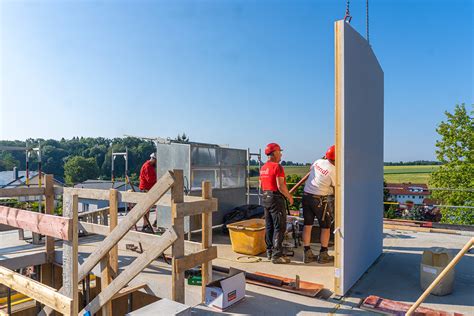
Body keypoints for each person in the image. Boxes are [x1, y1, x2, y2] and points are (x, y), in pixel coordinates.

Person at [260, 143, 294, 264]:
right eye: (279, 151)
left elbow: (261, 185)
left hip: (265, 197)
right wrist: (289, 197)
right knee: (279, 226)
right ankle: (277, 255)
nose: (281, 154)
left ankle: (269, 251)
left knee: (269, 226)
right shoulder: (277, 167)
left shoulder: (263, 168)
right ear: (274, 153)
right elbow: (280, 186)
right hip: (275, 198)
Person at [302, 145, 336, 264]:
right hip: (319, 199)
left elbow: (313, 172)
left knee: (307, 225)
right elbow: (337, 188)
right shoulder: (333, 170)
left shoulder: (318, 161)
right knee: (326, 226)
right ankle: (323, 254)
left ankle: (307, 253)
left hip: (306, 196)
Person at [139, 152, 157, 232]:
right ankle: (145, 225)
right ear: (154, 159)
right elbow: (150, 180)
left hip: (148, 189)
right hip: (145, 189)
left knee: (147, 209)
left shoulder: (150, 166)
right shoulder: (147, 166)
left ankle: (146, 225)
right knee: (146, 209)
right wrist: (158, 179)